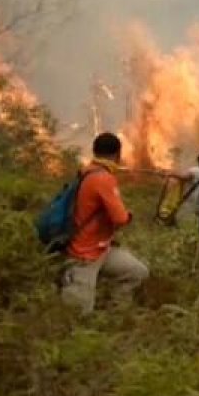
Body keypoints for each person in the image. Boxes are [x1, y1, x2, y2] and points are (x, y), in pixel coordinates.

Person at [60, 133, 150, 314]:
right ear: (118, 154)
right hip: (84, 253)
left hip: (101, 248)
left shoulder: (87, 171)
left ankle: (115, 314)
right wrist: (129, 215)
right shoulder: (104, 178)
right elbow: (120, 218)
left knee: (136, 272)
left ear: (94, 151)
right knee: (77, 313)